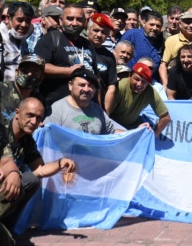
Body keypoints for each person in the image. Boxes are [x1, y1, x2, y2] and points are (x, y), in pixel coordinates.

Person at [0, 97, 76, 239]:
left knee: (32, 180)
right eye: (30, 115)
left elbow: (40, 169)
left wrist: (60, 163)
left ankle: (7, 227)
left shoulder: (27, 141)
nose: (34, 122)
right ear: (17, 113)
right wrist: (13, 172)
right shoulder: (2, 130)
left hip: (5, 188)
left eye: (38, 118)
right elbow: (5, 162)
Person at [34, 4, 98, 109]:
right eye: (70, 19)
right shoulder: (50, 39)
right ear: (60, 20)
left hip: (86, 106)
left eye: (79, 19)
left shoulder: (87, 44)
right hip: (55, 106)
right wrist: (68, 71)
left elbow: (96, 75)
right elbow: (40, 67)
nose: (74, 23)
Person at [44, 68, 126, 134]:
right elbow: (47, 137)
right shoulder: (57, 109)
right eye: (82, 85)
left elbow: (111, 132)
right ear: (70, 85)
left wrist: (135, 134)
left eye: (90, 86)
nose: (86, 89)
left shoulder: (98, 110)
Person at [108, 62, 171, 137]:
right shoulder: (120, 87)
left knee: (146, 128)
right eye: (136, 79)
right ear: (129, 76)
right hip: (112, 126)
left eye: (144, 82)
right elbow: (105, 116)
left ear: (148, 83)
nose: (139, 84)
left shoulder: (150, 91)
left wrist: (152, 137)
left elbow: (166, 118)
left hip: (131, 127)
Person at [159, 11, 192, 87]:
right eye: (187, 22)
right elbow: (163, 65)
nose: (191, 25)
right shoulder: (171, 41)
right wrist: (165, 85)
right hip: (176, 81)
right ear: (180, 24)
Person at [0, 55, 45, 126]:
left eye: (35, 72)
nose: (29, 74)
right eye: (25, 71)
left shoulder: (39, 101)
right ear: (17, 72)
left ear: (41, 79)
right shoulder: (2, 89)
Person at [87, 13, 118, 110]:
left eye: (103, 32)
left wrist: (106, 114)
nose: (99, 35)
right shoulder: (78, 48)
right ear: (88, 30)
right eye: (95, 30)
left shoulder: (109, 57)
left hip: (97, 107)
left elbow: (111, 87)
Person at [0, 1, 35, 82]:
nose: (24, 25)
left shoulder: (23, 40)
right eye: (20, 20)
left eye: (28, 21)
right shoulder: (1, 36)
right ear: (8, 18)